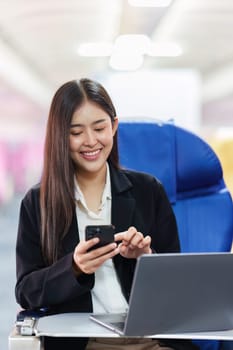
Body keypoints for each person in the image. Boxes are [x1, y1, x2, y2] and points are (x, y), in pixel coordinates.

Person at [15, 78, 199, 350]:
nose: (90, 141)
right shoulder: (37, 202)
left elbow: (178, 288)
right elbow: (26, 291)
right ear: (59, 136)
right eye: (76, 132)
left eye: (99, 128)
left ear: (113, 126)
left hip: (150, 338)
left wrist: (146, 260)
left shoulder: (148, 191)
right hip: (84, 343)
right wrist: (74, 268)